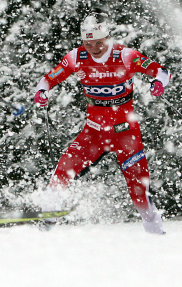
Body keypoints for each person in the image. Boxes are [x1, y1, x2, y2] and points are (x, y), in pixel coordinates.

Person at [34, 16, 171, 234]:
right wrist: (42, 91)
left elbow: (162, 72)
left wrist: (157, 83)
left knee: (138, 193)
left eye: (99, 42)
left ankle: (156, 234)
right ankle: (46, 226)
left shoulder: (125, 55)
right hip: (93, 133)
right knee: (62, 171)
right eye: (88, 43)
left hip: (126, 135)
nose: (94, 48)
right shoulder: (75, 57)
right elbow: (48, 79)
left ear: (107, 38)